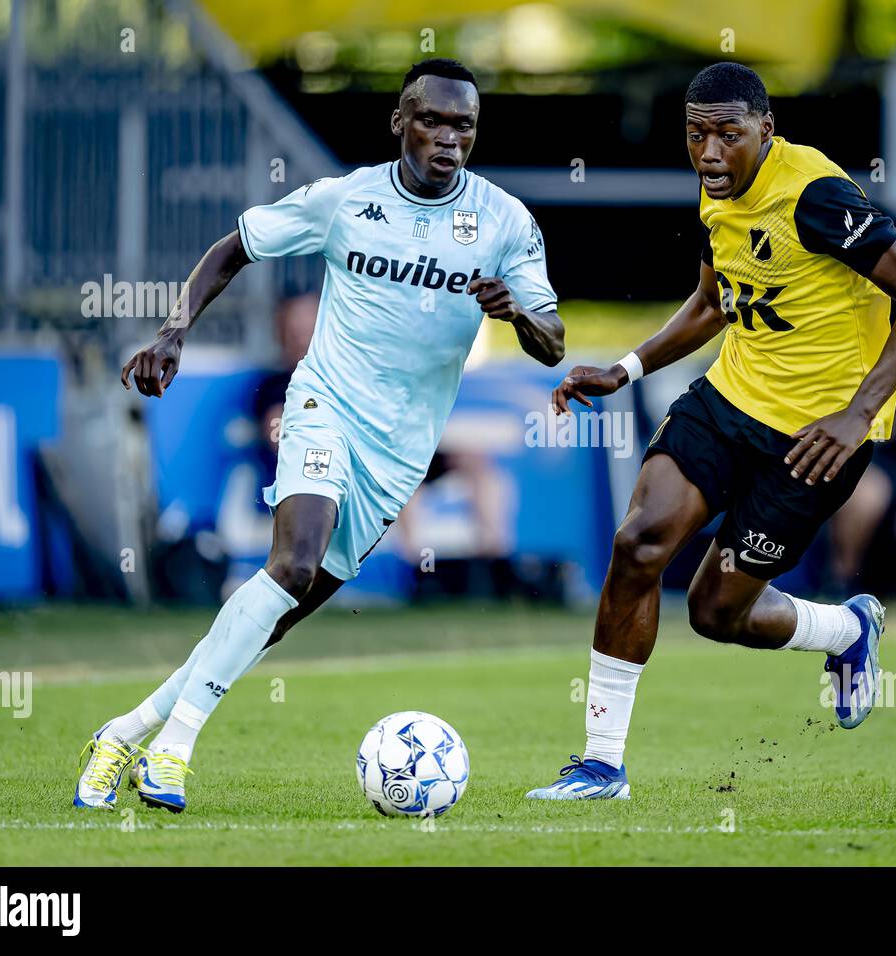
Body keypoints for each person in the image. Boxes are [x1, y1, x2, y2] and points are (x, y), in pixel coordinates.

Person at [74, 58, 564, 812]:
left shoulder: (505, 222)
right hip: (324, 404)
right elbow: (234, 246)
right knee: (293, 565)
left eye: (463, 126)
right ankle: (171, 754)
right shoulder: (346, 199)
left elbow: (554, 342)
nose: (447, 139)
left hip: (400, 452)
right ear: (401, 121)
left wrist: (518, 315)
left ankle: (127, 728)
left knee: (275, 612)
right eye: (431, 120)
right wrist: (173, 332)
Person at [527, 63, 896, 800]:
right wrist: (624, 369)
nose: (712, 153)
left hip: (816, 439)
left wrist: (858, 414)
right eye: (697, 136)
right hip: (729, 401)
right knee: (638, 545)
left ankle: (846, 631)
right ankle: (601, 766)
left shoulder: (816, 196)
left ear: (767, 129)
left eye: (729, 134)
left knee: (716, 613)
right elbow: (711, 302)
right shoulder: (717, 187)